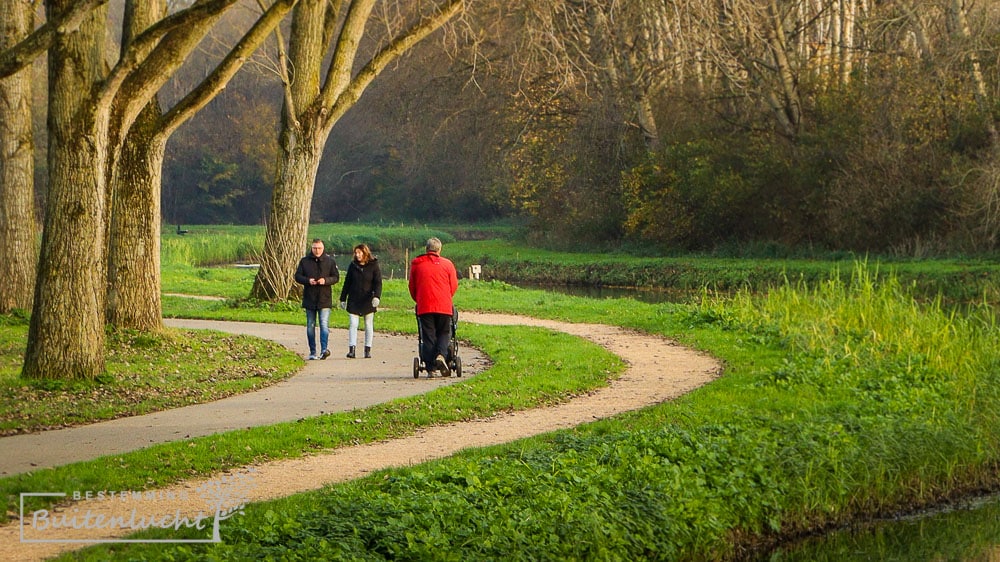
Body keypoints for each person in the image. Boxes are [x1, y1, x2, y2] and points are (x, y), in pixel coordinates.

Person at [408, 237, 458, 377]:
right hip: (444, 305)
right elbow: (453, 285)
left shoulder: (417, 264)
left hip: (425, 306)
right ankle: (441, 355)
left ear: (426, 249)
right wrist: (447, 297)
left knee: (428, 336)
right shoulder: (447, 265)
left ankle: (430, 369)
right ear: (439, 250)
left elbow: (412, 286)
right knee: (444, 332)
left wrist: (418, 299)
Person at [294, 238, 339, 360]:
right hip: (310, 298)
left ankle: (324, 349)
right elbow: (297, 276)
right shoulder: (304, 261)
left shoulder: (330, 261)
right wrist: (308, 281)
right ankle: (312, 351)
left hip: (324, 298)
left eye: (319, 248)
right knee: (310, 325)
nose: (317, 250)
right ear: (311, 248)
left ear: (323, 248)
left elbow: (336, 277)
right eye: (314, 248)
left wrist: (325, 280)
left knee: (324, 324)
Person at [339, 243, 383, 359]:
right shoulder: (353, 266)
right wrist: (343, 298)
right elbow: (347, 283)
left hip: (368, 299)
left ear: (365, 253)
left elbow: (378, 283)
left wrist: (376, 297)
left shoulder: (373, 265)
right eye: (356, 253)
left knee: (368, 324)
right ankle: (352, 349)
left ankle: (367, 349)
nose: (357, 255)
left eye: (360, 253)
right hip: (354, 299)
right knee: (353, 324)